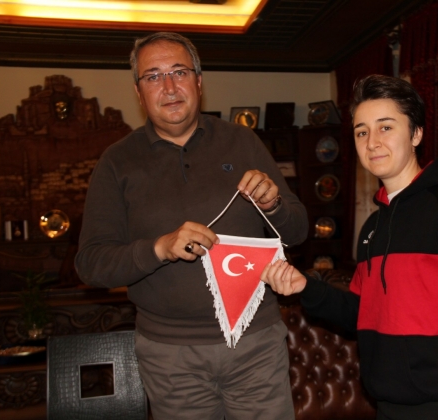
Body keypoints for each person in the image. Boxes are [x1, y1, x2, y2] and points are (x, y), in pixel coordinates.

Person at [261, 74, 438, 420]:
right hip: (388, 406)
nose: (372, 142)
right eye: (361, 132)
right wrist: (305, 287)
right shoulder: (373, 227)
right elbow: (361, 313)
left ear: (416, 134)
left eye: (385, 127)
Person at [75, 32, 308, 420]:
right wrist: (159, 249)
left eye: (179, 72)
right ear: (138, 91)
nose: (169, 87)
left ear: (198, 82)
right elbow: (91, 264)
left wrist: (274, 205)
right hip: (169, 358)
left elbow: (298, 232)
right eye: (153, 76)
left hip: (256, 345)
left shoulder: (243, 142)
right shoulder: (116, 162)